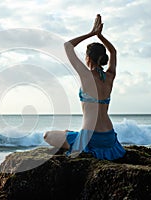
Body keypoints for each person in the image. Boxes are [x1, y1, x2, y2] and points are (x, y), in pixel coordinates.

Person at [44, 14, 125, 160]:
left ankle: (74, 137)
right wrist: (101, 36)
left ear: (88, 58)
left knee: (47, 135)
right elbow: (113, 51)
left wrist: (92, 33)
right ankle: (73, 134)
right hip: (109, 137)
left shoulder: (86, 75)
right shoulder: (110, 76)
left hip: (90, 137)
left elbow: (67, 46)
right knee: (68, 132)